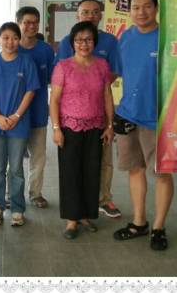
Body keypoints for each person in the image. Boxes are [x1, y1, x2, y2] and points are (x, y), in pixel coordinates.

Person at [112, 0, 173, 250]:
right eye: (135, 7)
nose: (141, 12)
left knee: (162, 173)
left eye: (147, 6)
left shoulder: (167, 37)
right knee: (135, 169)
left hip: (159, 117)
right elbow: (115, 74)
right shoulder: (126, 37)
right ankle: (139, 222)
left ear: (156, 8)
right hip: (128, 114)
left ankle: (159, 227)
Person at [55, 0, 122, 218]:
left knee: (100, 164)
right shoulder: (66, 44)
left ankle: (102, 201)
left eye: (94, 12)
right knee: (72, 168)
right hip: (71, 120)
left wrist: (93, 85)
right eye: (85, 12)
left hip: (98, 117)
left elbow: (112, 77)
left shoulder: (109, 43)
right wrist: (56, 126)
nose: (90, 15)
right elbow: (58, 86)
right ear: (77, 15)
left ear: (100, 15)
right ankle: (73, 215)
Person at [50, 21, 114, 239]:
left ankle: (86, 215)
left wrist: (109, 125)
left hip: (96, 127)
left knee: (91, 172)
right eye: (79, 40)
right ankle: (71, 220)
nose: (83, 44)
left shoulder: (102, 65)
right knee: (71, 173)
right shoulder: (63, 67)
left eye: (88, 40)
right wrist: (56, 128)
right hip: (69, 128)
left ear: (94, 42)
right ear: (72, 43)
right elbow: (54, 100)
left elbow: (107, 96)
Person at [0, 22, 39, 227]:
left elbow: (30, 91)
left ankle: (17, 208)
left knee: (16, 169)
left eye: (14, 38)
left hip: (19, 124)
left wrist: (16, 116)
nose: (10, 42)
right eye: (6, 38)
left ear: (19, 40)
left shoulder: (26, 62)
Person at [17, 6, 55, 208]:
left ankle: (35, 193)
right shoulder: (12, 47)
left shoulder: (45, 50)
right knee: (13, 158)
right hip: (15, 115)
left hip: (38, 111)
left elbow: (52, 80)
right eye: (26, 22)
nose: (31, 26)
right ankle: (11, 195)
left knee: (38, 157)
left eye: (35, 22)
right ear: (19, 23)